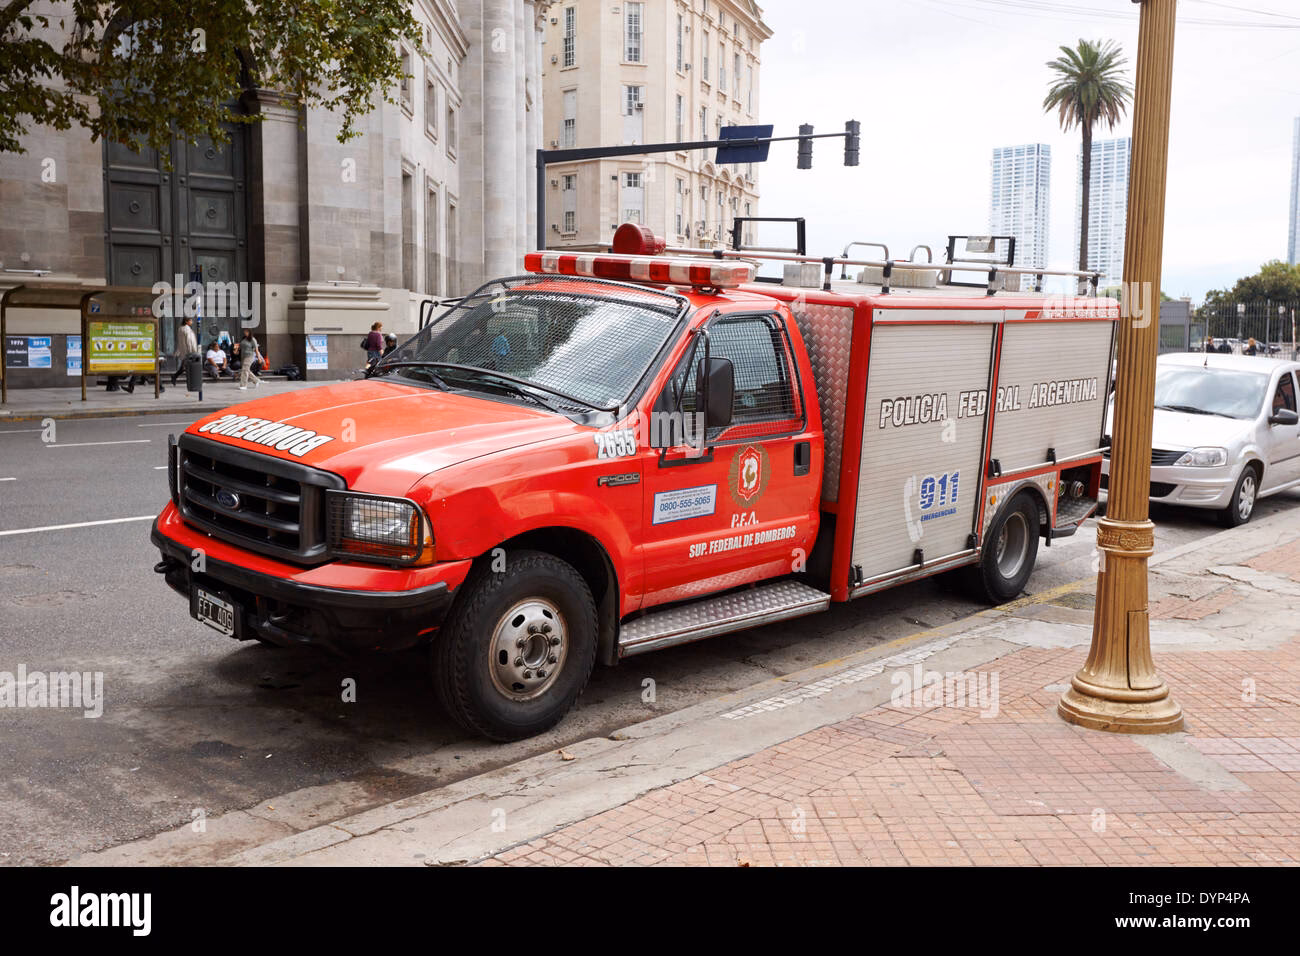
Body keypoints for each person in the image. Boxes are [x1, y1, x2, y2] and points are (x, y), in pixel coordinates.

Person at [171, 316, 200, 386]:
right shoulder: (187, 329)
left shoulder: (180, 329)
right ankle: (190, 382)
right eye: (190, 320)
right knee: (188, 367)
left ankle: (175, 376)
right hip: (188, 351)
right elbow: (190, 341)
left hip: (183, 350)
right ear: (186, 322)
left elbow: (181, 341)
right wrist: (193, 352)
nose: (192, 322)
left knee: (185, 366)